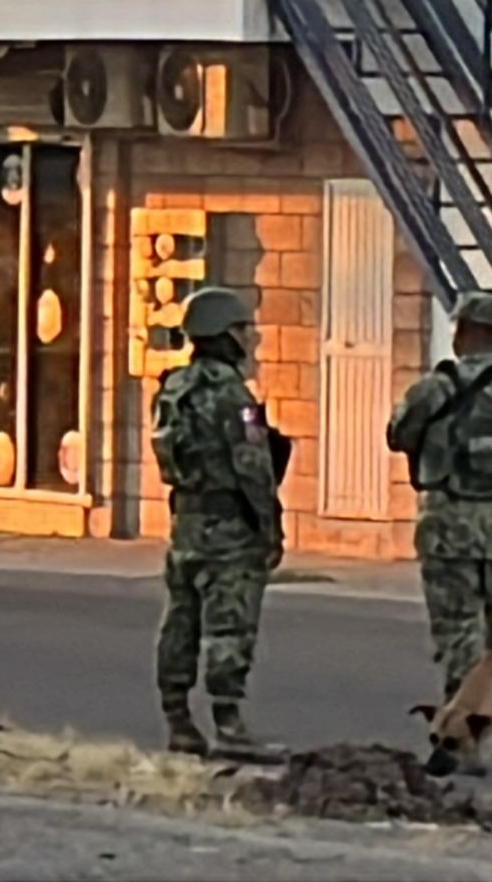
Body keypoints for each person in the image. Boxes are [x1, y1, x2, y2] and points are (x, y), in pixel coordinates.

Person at [151, 287, 290, 760]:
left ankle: (178, 720)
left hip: (187, 522)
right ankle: (228, 724)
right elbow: (252, 467)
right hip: (230, 526)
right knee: (229, 623)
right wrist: (269, 527)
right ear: (223, 334)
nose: (249, 338)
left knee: (181, 620)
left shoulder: (173, 387)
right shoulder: (232, 394)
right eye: (242, 330)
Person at [386, 293, 492, 721]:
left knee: (458, 631)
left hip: (448, 523)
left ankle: (465, 722)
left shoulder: (434, 389)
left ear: (463, 331)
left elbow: (399, 435)